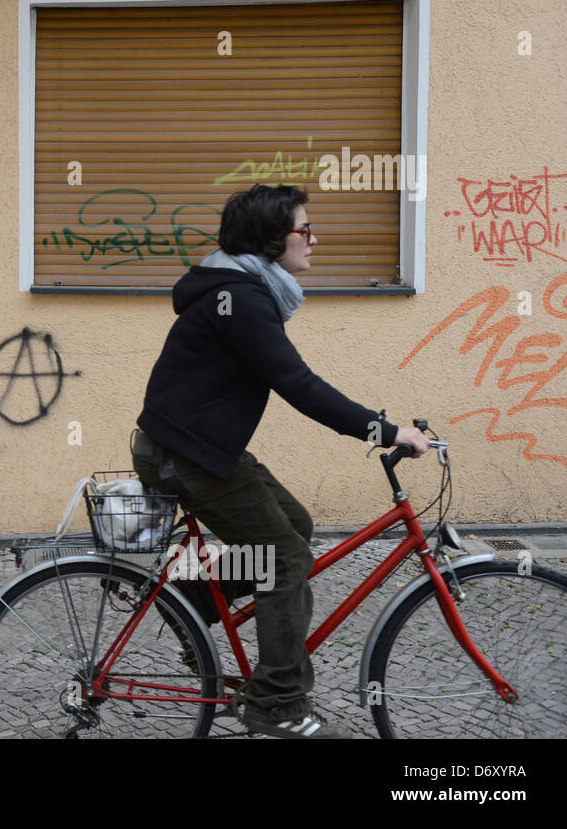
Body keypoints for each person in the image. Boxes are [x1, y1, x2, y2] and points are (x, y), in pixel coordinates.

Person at [131, 182, 430, 739]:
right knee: (286, 558)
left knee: (293, 526)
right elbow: (298, 384)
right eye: (304, 228)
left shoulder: (243, 291)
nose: (314, 238)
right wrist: (386, 430)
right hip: (185, 454)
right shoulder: (241, 299)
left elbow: (292, 381)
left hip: (197, 448)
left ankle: (192, 602)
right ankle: (277, 704)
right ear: (271, 240)